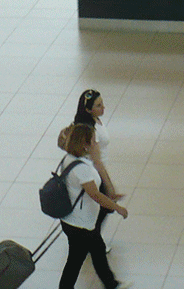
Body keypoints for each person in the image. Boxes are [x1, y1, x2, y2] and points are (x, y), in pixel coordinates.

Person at [56, 123, 130, 289]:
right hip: (81, 224)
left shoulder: (70, 159)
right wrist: (117, 208)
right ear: (85, 145)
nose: (97, 144)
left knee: (91, 253)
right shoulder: (83, 169)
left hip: (73, 221)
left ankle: (111, 284)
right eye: (94, 142)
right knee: (80, 258)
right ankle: (111, 284)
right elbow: (95, 195)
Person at [72, 89, 123, 235]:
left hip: (98, 170)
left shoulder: (95, 121)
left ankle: (92, 237)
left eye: (102, 103)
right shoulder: (91, 131)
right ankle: (94, 240)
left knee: (102, 207)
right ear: (88, 110)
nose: (103, 107)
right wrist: (109, 185)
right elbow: (97, 162)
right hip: (95, 173)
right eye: (99, 105)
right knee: (104, 207)